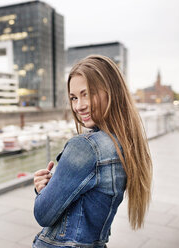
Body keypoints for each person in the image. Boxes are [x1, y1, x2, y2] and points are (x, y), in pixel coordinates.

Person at [32, 55, 153, 248]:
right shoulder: (125, 144)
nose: (79, 106)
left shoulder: (86, 147)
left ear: (111, 92)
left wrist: (42, 190)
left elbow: (43, 214)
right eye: (74, 98)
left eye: (87, 93)